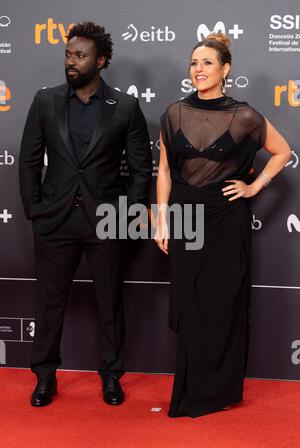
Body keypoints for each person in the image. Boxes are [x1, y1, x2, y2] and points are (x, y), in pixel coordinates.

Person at [155, 33, 291, 418]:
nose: (198, 69)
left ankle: (218, 390)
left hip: (226, 219)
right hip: (185, 217)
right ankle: (190, 388)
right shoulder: (173, 113)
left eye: (207, 63)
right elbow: (164, 171)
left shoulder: (244, 115)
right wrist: (161, 218)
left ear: (225, 69)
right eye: (194, 63)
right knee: (189, 305)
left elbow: (283, 152)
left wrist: (253, 186)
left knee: (220, 305)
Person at [19, 21, 152, 407]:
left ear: (101, 60)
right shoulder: (45, 101)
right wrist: (34, 209)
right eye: (68, 54)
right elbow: (28, 162)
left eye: (80, 55)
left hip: (105, 222)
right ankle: (45, 377)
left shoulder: (124, 107)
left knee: (109, 303)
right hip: (54, 220)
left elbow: (141, 169)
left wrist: (126, 214)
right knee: (49, 302)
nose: (71, 61)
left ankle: (111, 377)